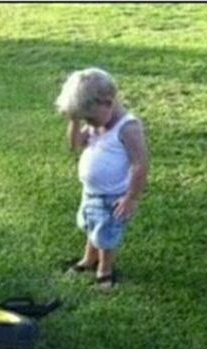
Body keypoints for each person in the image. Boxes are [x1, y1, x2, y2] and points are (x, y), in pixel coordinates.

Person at [55, 68, 149, 290]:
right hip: (91, 192)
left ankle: (104, 270)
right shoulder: (97, 122)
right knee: (91, 227)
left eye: (89, 117)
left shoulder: (128, 128)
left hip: (113, 196)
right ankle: (89, 259)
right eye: (83, 118)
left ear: (107, 102)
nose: (88, 122)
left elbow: (140, 164)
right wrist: (74, 120)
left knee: (106, 236)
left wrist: (130, 198)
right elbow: (74, 145)